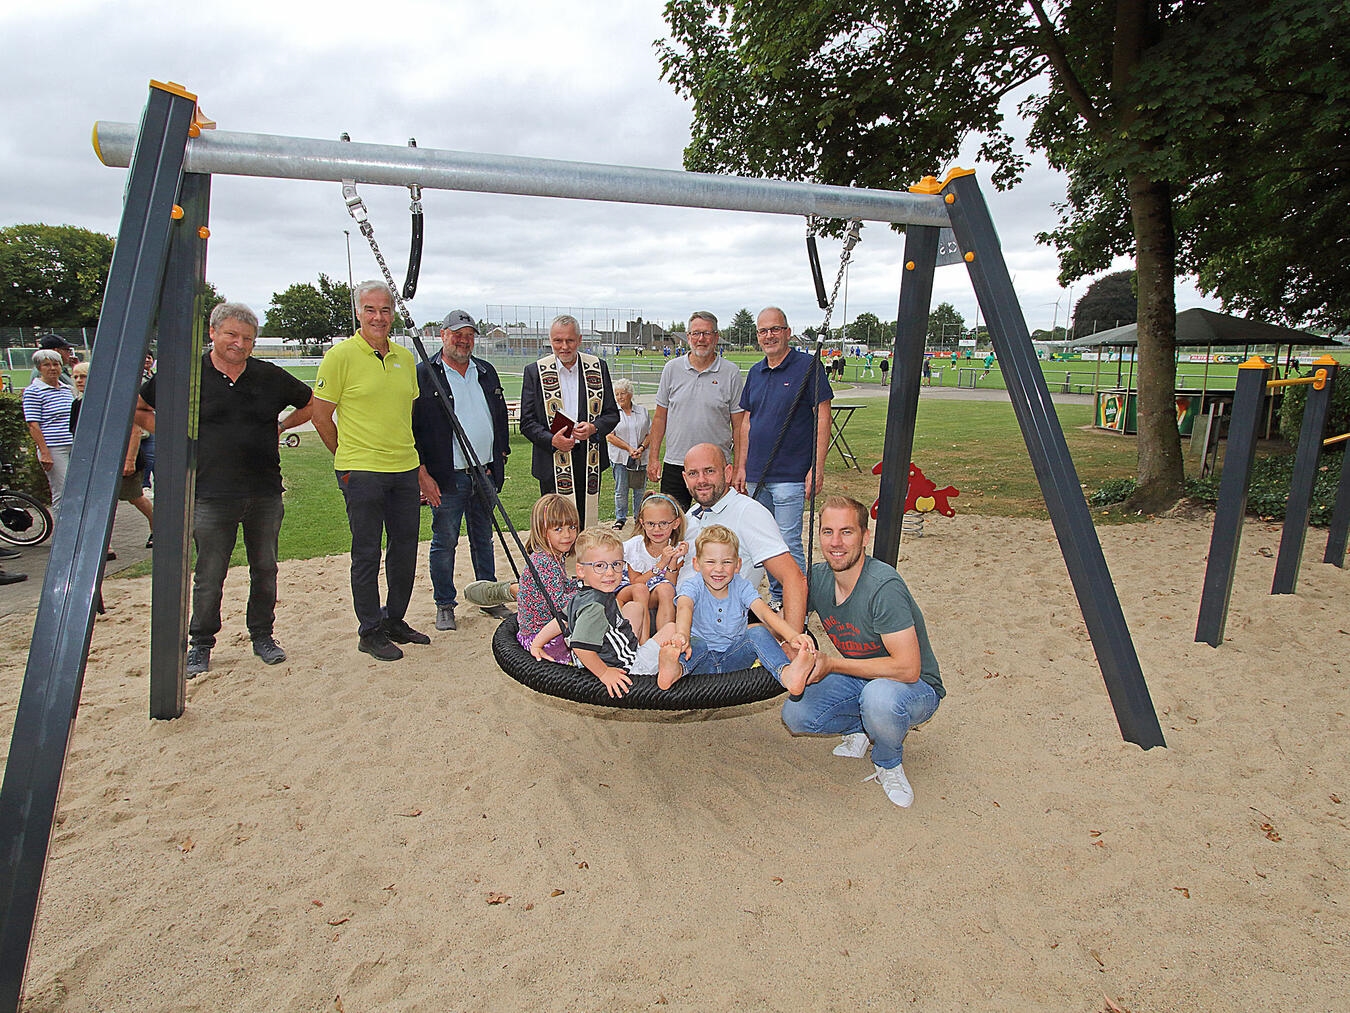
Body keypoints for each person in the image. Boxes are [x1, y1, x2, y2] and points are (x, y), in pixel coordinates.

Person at [138, 302, 313, 676]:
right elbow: (139, 406)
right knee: (209, 573)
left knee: (264, 568)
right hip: (211, 492)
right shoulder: (187, 375)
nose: (239, 343)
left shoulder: (269, 376)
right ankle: (201, 643)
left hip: (264, 490)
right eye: (231, 334)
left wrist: (281, 426)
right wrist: (175, 437)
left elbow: (312, 403)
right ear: (213, 333)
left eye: (247, 338)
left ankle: (262, 635)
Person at [783, 496, 945, 809]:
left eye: (847, 532)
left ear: (865, 537)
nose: (836, 542)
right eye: (827, 532)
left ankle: (887, 761)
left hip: (915, 687)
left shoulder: (883, 587)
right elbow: (790, 628)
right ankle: (862, 727)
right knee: (795, 714)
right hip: (863, 677)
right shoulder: (818, 578)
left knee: (880, 700)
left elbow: (908, 668)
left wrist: (830, 664)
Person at [311, 281, 429, 662]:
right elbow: (320, 415)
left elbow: (406, 415)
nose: (378, 317)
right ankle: (369, 630)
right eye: (370, 309)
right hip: (361, 471)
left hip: (403, 469)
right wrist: (346, 455)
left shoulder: (405, 358)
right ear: (358, 313)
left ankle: (394, 619)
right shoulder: (340, 356)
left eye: (385, 310)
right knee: (366, 552)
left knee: (405, 550)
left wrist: (414, 463)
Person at [412, 309, 512, 632]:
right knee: (445, 541)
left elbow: (497, 413)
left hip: (483, 472)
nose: (463, 340)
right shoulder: (425, 374)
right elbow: (411, 428)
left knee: (484, 538)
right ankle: (445, 603)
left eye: (469, 335)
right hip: (448, 475)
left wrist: (502, 455)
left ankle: (489, 596)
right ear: (443, 335)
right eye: (457, 334)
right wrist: (422, 473)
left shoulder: (485, 371)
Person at [735, 307, 832, 611]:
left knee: (788, 541)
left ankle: (793, 603)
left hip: (790, 474)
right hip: (756, 474)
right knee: (759, 541)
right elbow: (747, 422)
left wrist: (817, 466)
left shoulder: (807, 367)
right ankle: (777, 598)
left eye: (775, 329)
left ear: (788, 332)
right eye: (763, 331)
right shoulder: (755, 372)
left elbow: (822, 415)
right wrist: (740, 466)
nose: (769, 336)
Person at [529, 528, 683, 698]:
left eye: (616, 564)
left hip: (606, 655)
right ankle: (663, 668)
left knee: (634, 608)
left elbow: (562, 620)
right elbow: (580, 647)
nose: (610, 572)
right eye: (600, 566)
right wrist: (604, 674)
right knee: (673, 628)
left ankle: (641, 645)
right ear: (580, 571)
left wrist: (537, 643)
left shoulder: (580, 596)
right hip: (627, 668)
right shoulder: (595, 607)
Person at [663, 524, 814, 691]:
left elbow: (764, 613)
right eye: (710, 562)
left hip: (734, 658)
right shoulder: (693, 585)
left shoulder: (741, 586)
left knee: (757, 632)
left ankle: (786, 673)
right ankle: (674, 669)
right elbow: (685, 608)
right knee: (693, 643)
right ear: (696, 564)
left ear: (737, 565)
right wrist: (682, 634)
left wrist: (793, 636)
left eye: (726, 562)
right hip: (698, 661)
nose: (719, 569)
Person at [681, 443, 807, 633]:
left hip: (719, 628)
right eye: (693, 474)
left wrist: (793, 641)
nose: (701, 480)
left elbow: (794, 578)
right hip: (682, 615)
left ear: (728, 473)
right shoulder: (691, 515)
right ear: (685, 478)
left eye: (709, 471)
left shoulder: (748, 513)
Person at [520, 315, 619, 528]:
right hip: (551, 460)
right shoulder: (535, 371)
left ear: (580, 340)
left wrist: (594, 427)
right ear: (550, 340)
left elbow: (612, 414)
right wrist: (551, 440)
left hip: (588, 459)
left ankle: (584, 562)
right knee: (553, 524)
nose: (564, 346)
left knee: (585, 524)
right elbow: (526, 422)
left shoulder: (597, 367)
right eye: (558, 341)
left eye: (570, 340)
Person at [645, 312, 745, 510]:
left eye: (707, 333)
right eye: (696, 333)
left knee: (717, 529)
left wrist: (739, 467)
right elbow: (659, 418)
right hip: (676, 463)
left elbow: (739, 426)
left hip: (715, 466)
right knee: (672, 524)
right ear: (688, 336)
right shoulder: (671, 369)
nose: (701, 339)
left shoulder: (730, 372)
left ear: (716, 337)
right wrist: (653, 458)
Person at [75, 362, 154, 553]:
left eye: (83, 376)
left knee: (135, 497)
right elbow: (77, 434)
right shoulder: (78, 404)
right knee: (99, 502)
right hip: (98, 462)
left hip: (124, 459)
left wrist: (129, 460)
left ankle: (158, 526)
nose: (79, 381)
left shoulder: (115, 402)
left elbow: (134, 431)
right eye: (76, 377)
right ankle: (103, 545)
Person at [623, 492, 688, 633]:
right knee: (644, 590)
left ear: (676, 523)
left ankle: (664, 639)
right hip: (631, 593)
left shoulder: (678, 549)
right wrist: (661, 564)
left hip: (658, 595)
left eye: (663, 523)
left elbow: (672, 585)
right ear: (642, 523)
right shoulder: (634, 547)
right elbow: (636, 584)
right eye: (651, 524)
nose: (656, 529)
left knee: (666, 589)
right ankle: (642, 640)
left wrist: (673, 561)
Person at [24, 349, 76, 518]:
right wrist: (45, 452)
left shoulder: (68, 389)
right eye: (47, 365)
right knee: (62, 490)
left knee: (77, 488)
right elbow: (33, 424)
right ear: (39, 368)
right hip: (54, 448)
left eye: (56, 364)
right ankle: (64, 535)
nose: (52, 368)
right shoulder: (33, 391)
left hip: (73, 444)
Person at [605, 378, 650, 529]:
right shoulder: (612, 413)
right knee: (621, 490)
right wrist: (629, 449)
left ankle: (639, 517)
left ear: (630, 394)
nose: (619, 397)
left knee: (639, 489)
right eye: (617, 394)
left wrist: (641, 448)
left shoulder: (642, 412)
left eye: (622, 393)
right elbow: (610, 436)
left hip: (640, 458)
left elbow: (650, 434)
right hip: (621, 458)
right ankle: (621, 518)